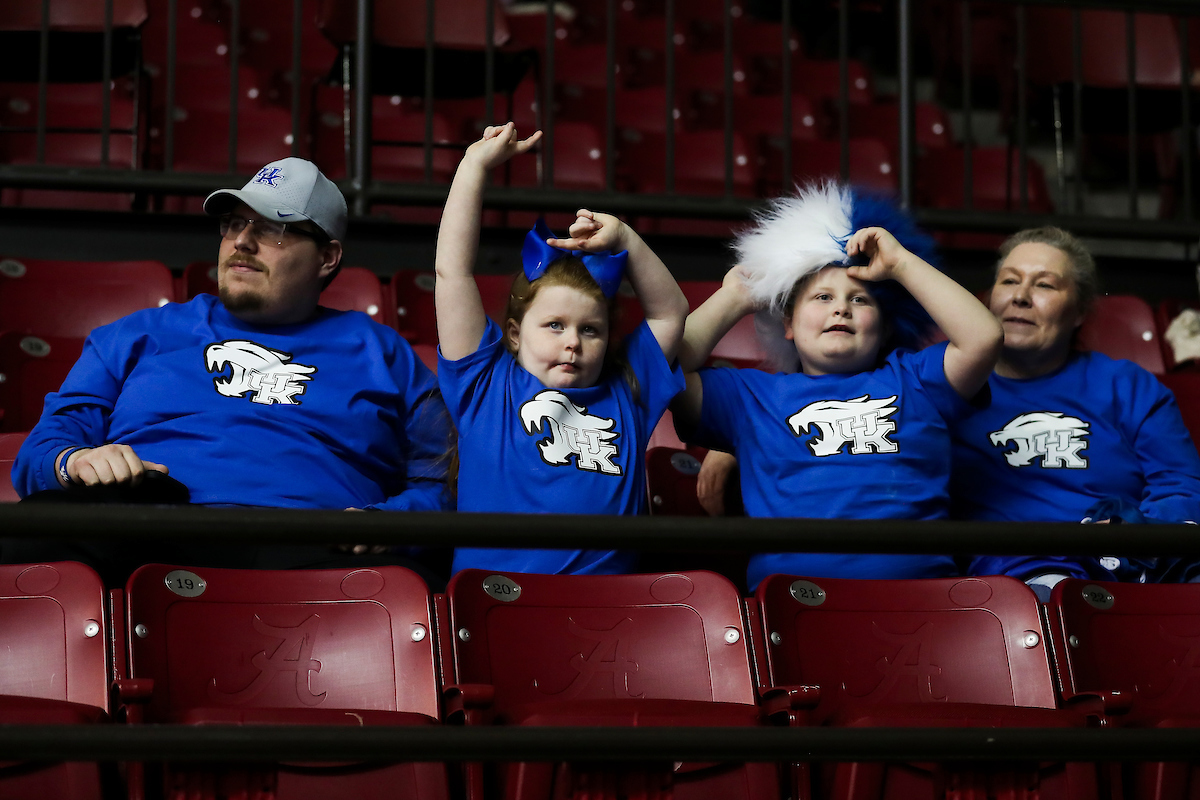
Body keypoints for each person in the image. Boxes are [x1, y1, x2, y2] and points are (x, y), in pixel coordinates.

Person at [14, 157, 450, 518]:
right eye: (235, 223)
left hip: (318, 548)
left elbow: (442, 483)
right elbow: (40, 453)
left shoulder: (384, 354)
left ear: (327, 258)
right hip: (145, 525)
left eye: (272, 229)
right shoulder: (138, 334)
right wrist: (75, 462)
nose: (242, 241)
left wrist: (388, 524)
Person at [672, 183, 1003, 591]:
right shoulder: (750, 396)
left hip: (921, 597)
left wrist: (901, 264)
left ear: (885, 330)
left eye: (861, 300)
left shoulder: (916, 379)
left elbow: (983, 337)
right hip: (794, 605)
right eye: (822, 297)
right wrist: (735, 297)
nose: (841, 307)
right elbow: (659, 370)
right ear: (788, 325)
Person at [435, 122, 688, 576]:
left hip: (609, 610)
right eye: (554, 325)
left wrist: (626, 239)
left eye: (590, 330)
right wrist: (474, 166)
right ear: (514, 334)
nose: (572, 341)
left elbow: (670, 313)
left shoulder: (628, 392)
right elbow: (452, 272)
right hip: (497, 603)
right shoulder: (486, 385)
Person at [951, 227, 1200, 593]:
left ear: (1080, 311)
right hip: (1005, 579)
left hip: (1126, 568)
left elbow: (1180, 488)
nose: (1020, 297)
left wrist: (1130, 535)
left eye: (1045, 285)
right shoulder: (946, 386)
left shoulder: (1127, 386)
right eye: (1009, 281)